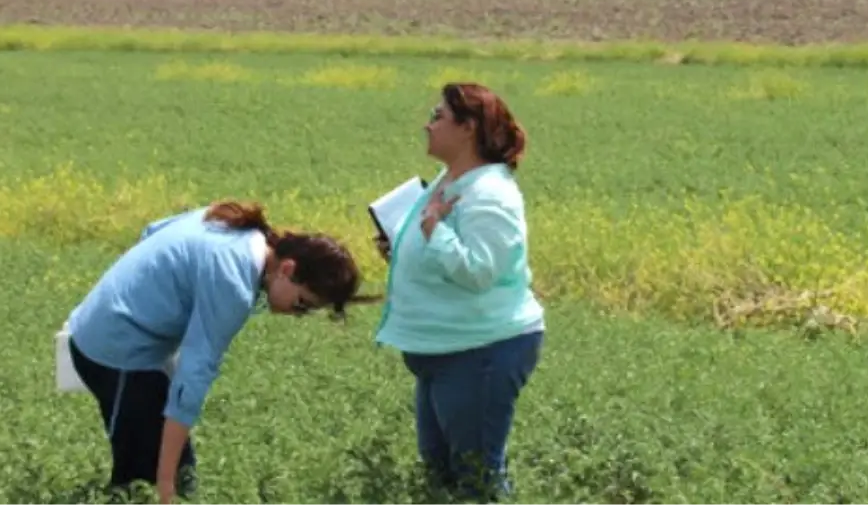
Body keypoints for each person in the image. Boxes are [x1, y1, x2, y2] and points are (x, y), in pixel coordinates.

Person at [65, 200, 378, 504]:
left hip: (119, 334)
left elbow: (152, 231)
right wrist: (164, 485)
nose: (297, 314)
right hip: (116, 350)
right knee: (139, 483)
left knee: (180, 471)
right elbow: (193, 378)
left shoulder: (240, 229)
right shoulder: (233, 281)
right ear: (287, 268)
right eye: (302, 304)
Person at [373, 82, 545, 502]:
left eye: (437, 116)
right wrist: (403, 247)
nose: (427, 124)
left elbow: (479, 272)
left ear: (467, 128)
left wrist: (432, 230)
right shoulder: (450, 180)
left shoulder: (491, 195)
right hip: (443, 348)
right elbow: (444, 248)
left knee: (477, 480)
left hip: (480, 351)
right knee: (440, 470)